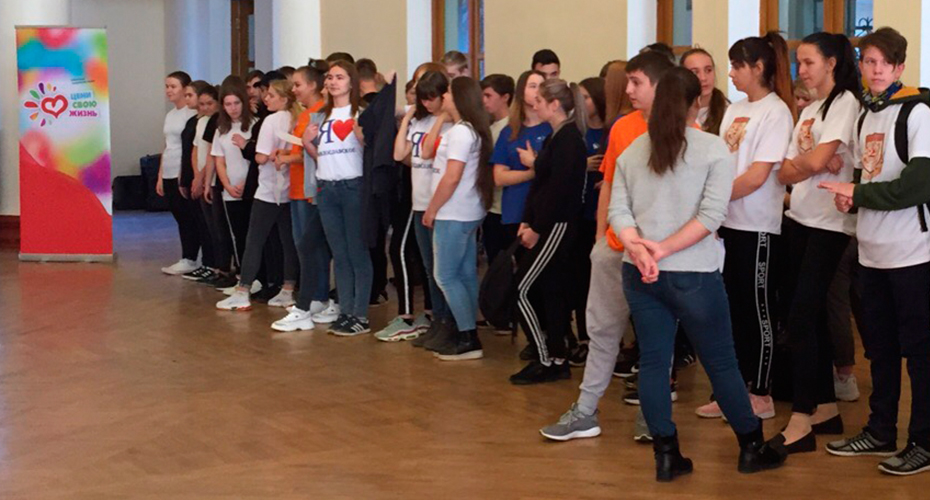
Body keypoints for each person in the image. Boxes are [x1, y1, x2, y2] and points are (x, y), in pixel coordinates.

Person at [610, 67, 786, 482]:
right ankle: (751, 447)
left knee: (654, 363)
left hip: (641, 273)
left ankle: (666, 456)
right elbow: (711, 216)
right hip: (693, 275)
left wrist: (639, 247)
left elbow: (618, 211)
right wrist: (663, 249)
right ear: (697, 103)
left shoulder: (633, 150)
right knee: (721, 363)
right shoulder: (712, 149)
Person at [539, 51, 673, 443]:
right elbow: (609, 184)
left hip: (656, 253)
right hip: (615, 248)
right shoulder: (623, 128)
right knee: (601, 331)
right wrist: (601, 239)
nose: (628, 89)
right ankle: (585, 411)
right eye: (628, 81)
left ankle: (653, 415)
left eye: (636, 82)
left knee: (655, 338)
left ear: (658, 86)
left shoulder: (683, 130)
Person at [819, 26, 930, 476]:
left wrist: (859, 194)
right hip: (871, 252)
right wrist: (852, 195)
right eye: (869, 61)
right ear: (861, 65)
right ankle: (880, 431)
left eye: (885, 62)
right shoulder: (867, 114)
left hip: (914, 254)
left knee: (920, 354)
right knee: (880, 350)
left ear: (900, 67)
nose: (876, 69)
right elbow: (867, 175)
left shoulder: (918, 112)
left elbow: (918, 186)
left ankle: (923, 441)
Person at [695, 33, 796, 421]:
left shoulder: (776, 112)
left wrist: (714, 201)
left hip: (758, 226)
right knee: (732, 312)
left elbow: (757, 176)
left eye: (738, 66)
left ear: (758, 67)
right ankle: (731, 390)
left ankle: (762, 392)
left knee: (759, 311)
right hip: (729, 225)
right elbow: (721, 165)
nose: (732, 73)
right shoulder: (735, 110)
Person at [769, 32, 861, 455]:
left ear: (831, 63)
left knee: (802, 317)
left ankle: (801, 418)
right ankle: (825, 407)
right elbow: (785, 171)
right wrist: (813, 164)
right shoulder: (809, 111)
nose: (801, 70)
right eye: (799, 62)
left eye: (808, 62)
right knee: (812, 313)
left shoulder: (845, 103)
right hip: (800, 218)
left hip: (830, 223)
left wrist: (811, 163)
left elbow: (815, 162)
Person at [509, 79, 588, 384]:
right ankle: (557, 357)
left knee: (522, 289)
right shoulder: (557, 137)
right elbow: (543, 185)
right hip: (548, 224)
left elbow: (559, 193)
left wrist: (538, 228)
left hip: (557, 227)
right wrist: (527, 220)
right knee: (550, 290)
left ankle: (546, 358)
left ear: (555, 105)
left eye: (540, 100)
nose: (534, 104)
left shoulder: (569, 140)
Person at [422, 76, 494, 360]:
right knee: (464, 274)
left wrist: (432, 209)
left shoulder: (462, 133)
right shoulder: (469, 130)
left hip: (453, 211)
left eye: (449, 93)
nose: (444, 97)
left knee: (445, 275)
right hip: (466, 210)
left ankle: (467, 336)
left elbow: (452, 176)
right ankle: (466, 332)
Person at [215, 79, 302, 311]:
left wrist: (253, 149)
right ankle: (288, 289)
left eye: (271, 95)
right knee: (288, 241)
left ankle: (243, 290)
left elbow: (261, 157)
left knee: (254, 240)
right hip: (289, 188)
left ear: (284, 98)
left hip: (268, 189)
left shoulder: (271, 120)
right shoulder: (297, 118)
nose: (266, 98)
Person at [381, 70, 454, 344]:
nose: (426, 103)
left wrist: (442, 117)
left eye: (431, 98)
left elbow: (427, 151)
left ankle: (448, 322)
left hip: (441, 204)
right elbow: (400, 154)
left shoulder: (451, 125)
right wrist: (408, 119)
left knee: (442, 269)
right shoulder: (418, 121)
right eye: (422, 98)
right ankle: (437, 320)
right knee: (428, 266)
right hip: (419, 202)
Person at [271, 65, 338, 332]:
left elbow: (312, 152)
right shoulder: (304, 114)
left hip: (311, 189)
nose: (294, 89)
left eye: (298, 84)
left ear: (312, 85)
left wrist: (288, 157)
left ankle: (318, 296)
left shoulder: (320, 113)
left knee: (312, 247)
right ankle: (311, 297)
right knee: (302, 245)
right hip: (297, 188)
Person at [313, 60, 373, 335]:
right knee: (339, 253)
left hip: (353, 186)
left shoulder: (360, 113)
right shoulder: (321, 116)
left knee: (357, 251)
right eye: (329, 77)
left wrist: (363, 136)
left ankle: (360, 314)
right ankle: (345, 310)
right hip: (327, 187)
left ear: (352, 82)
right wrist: (308, 143)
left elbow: (371, 149)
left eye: (339, 77)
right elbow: (322, 154)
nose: (333, 82)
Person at [492, 71, 550, 270]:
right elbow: (499, 177)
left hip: (542, 212)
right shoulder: (510, 132)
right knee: (520, 269)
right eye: (532, 86)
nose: (537, 91)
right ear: (521, 92)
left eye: (541, 86)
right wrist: (534, 171)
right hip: (515, 210)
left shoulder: (551, 129)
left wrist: (537, 165)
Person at [568, 76, 607, 365]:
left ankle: (608, 339)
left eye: (587, 97)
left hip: (602, 217)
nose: (582, 102)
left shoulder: (609, 131)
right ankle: (583, 337)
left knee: (603, 283)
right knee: (580, 280)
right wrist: (582, 166)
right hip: (578, 215)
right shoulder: (577, 132)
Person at [159, 71, 200, 276]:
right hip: (169, 168)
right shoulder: (170, 114)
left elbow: (190, 148)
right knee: (178, 214)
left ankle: (190, 257)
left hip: (182, 171)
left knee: (188, 216)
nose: (169, 90)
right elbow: (167, 145)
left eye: (173, 86)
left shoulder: (190, 114)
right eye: (167, 86)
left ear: (185, 89)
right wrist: (160, 175)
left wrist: (185, 175)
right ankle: (188, 256)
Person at [186, 84, 222, 283]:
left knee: (216, 228)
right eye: (202, 104)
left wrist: (201, 177)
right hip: (200, 175)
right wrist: (195, 175)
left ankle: (218, 266)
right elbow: (196, 150)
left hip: (211, 178)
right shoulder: (201, 122)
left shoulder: (217, 122)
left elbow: (211, 153)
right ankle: (209, 263)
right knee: (206, 225)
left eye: (210, 103)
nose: (206, 108)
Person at [480, 73, 515, 265]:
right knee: (495, 262)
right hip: (491, 205)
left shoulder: (511, 128)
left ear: (505, 97)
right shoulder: (490, 127)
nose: (484, 101)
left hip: (506, 206)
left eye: (489, 95)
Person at [680, 48, 730, 134]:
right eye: (695, 72)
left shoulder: (728, 111)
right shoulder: (675, 111)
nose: (703, 78)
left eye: (708, 70)